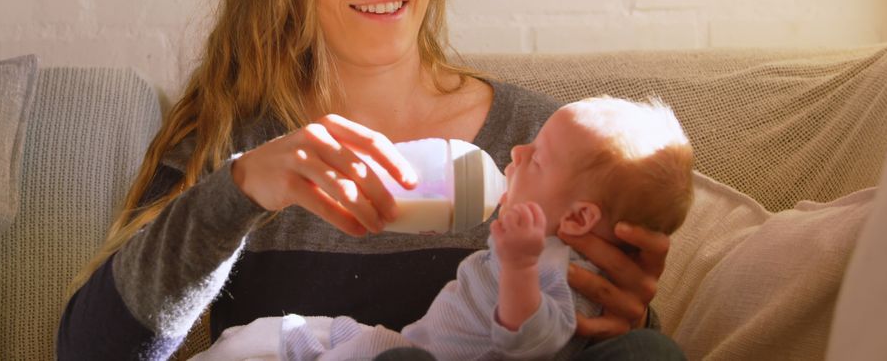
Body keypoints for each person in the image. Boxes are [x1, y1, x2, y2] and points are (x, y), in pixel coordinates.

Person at [56, 0, 678, 360]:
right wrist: (243, 189)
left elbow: (596, 332)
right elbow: (90, 352)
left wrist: (622, 313)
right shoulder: (229, 141)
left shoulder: (545, 141)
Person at [197, 97, 693, 360]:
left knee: (650, 352)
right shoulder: (222, 131)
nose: (517, 153)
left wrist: (630, 320)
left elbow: (541, 336)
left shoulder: (554, 209)